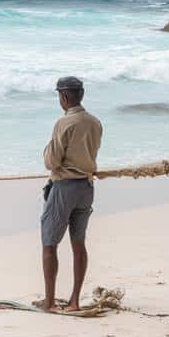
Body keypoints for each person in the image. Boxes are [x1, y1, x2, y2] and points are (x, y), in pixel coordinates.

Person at [37, 76, 102, 313]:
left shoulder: (63, 123)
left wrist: (46, 150)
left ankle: (50, 302)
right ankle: (74, 301)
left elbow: (51, 161)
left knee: (49, 244)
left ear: (64, 97)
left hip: (64, 187)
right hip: (86, 186)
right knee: (78, 244)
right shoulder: (95, 122)